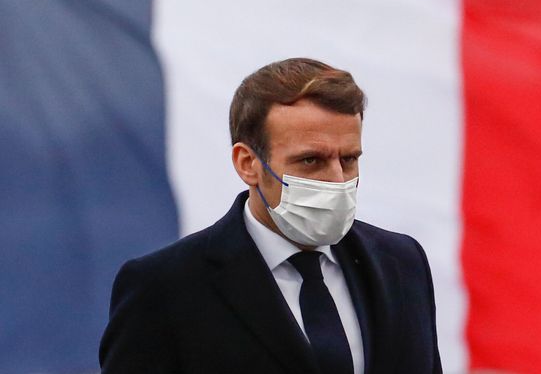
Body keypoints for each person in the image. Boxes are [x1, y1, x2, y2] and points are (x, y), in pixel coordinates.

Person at [99, 58, 442, 373]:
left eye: (349, 159)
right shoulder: (164, 286)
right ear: (247, 163)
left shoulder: (402, 262)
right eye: (311, 161)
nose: (337, 180)